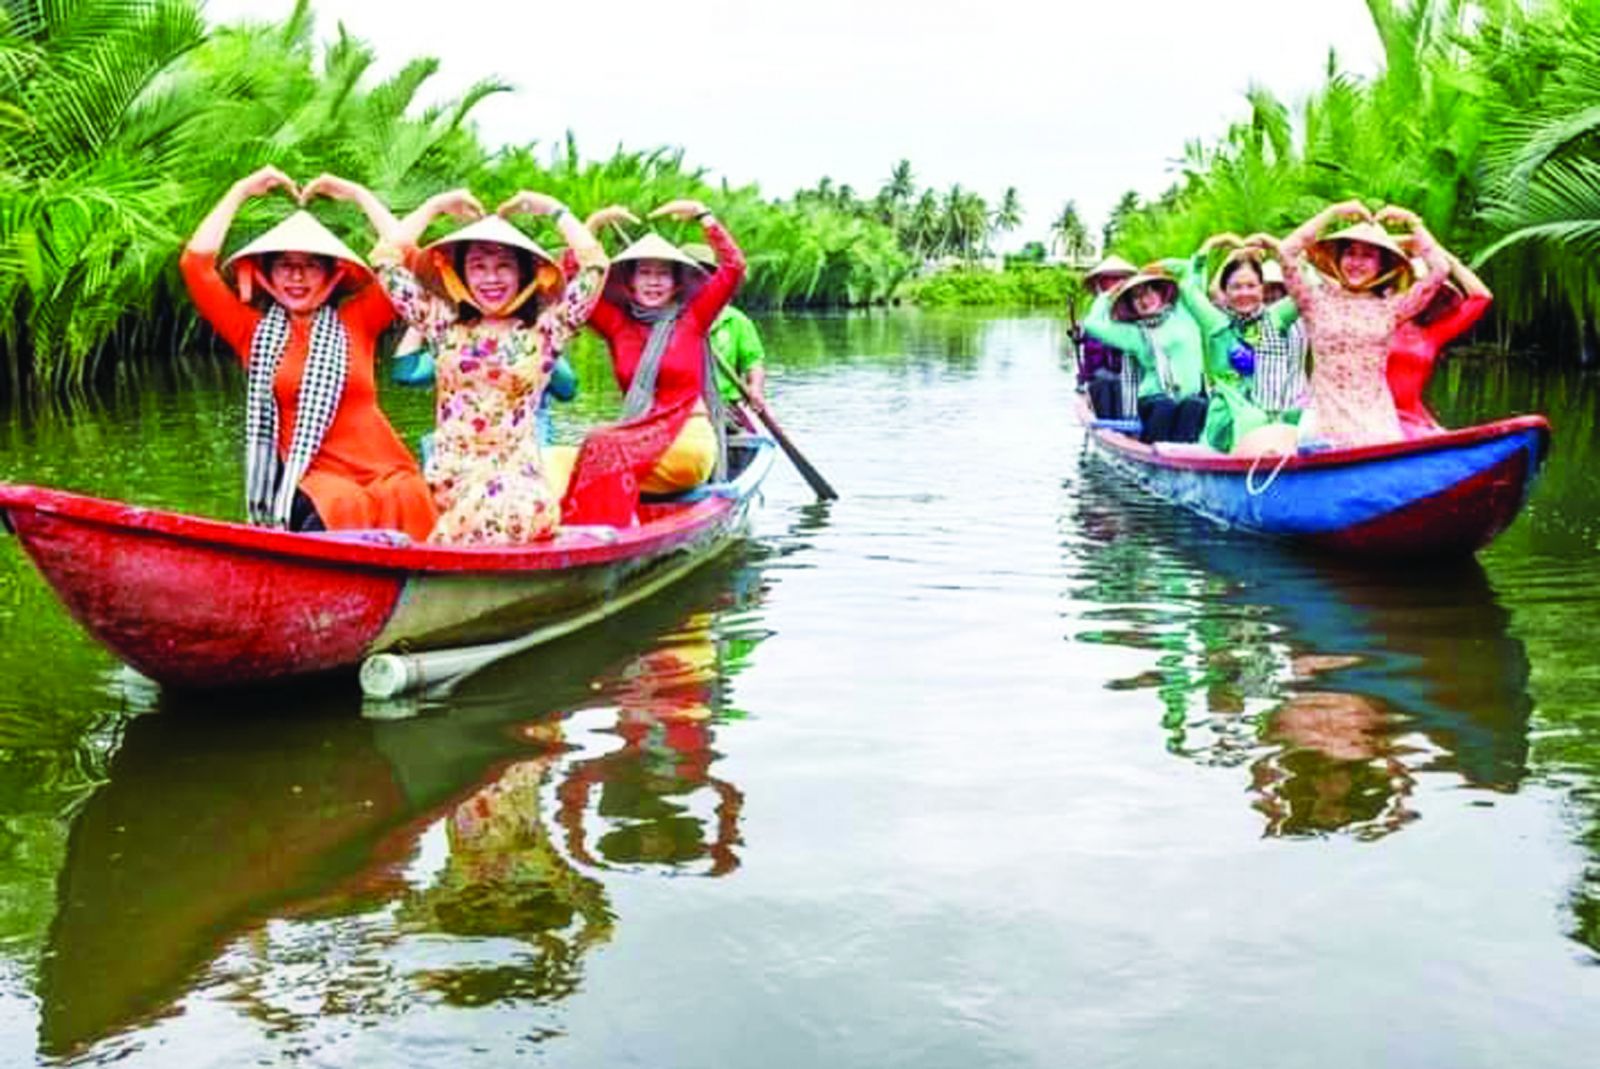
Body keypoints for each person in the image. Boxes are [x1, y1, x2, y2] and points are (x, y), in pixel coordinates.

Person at [179, 166, 436, 541]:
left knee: (406, 492)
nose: (297, 277)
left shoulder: (359, 319)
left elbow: (405, 259)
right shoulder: (252, 332)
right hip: (314, 475)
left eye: (310, 266)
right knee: (340, 502)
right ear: (266, 273)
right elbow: (195, 265)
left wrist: (359, 194)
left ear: (332, 274)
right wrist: (240, 189)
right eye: (285, 265)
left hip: (383, 465)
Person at [354, 180, 608, 545]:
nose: (491, 278)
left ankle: (448, 561)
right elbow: (385, 258)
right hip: (451, 476)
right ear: (462, 273)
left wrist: (551, 207)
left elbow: (596, 265)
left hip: (516, 483)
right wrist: (436, 203)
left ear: (523, 274)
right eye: (478, 266)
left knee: (510, 507)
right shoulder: (440, 323)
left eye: (503, 266)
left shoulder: (547, 330)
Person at [556, 199, 746, 526]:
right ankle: (601, 525)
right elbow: (573, 282)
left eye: (662, 274)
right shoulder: (617, 325)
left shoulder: (694, 317)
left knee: (603, 443)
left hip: (688, 439)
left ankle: (603, 530)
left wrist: (704, 216)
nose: (654, 281)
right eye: (645, 272)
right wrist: (592, 223)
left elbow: (734, 268)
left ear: (676, 283)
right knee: (550, 461)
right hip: (635, 436)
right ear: (630, 281)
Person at [1272, 201, 1450, 447]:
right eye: (1350, 253)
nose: (1357, 262)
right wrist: (1332, 213)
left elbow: (1440, 269)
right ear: (1338, 258)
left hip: (1376, 420)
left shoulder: (1392, 307)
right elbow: (1286, 251)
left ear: (1381, 265)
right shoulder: (1313, 298)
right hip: (1324, 416)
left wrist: (1413, 221)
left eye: (1368, 256)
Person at [1082, 263, 1209, 443]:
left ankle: (1185, 459)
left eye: (1148, 292)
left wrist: (1160, 265)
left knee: (1196, 404)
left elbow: (1191, 269)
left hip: (1190, 397)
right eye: (1136, 297)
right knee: (1166, 405)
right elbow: (1092, 324)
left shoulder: (1185, 314)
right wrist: (1108, 295)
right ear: (1131, 306)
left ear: (1161, 294)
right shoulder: (1134, 334)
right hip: (1154, 401)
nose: (1144, 300)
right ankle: (1155, 458)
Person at [1388, 251, 1492, 436]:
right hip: (1373, 413)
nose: (1426, 294)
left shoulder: (1434, 333)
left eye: (1432, 291)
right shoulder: (1375, 319)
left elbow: (1481, 297)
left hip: (1412, 419)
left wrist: (1444, 256)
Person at [683, 242, 766, 421]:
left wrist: (755, 388)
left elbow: (753, 362)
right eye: (690, 274)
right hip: (679, 407)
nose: (697, 280)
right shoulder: (665, 318)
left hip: (725, 406)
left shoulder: (736, 320)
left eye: (703, 274)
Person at [1075, 255, 1139, 419]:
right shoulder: (1097, 313)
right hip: (1100, 375)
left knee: (1118, 382)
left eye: (1119, 279)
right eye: (1108, 280)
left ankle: (1127, 426)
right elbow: (1091, 339)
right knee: (1104, 381)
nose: (1114, 284)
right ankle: (1110, 426)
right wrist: (1080, 336)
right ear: (1100, 284)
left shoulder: (1136, 311)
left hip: (1130, 375)